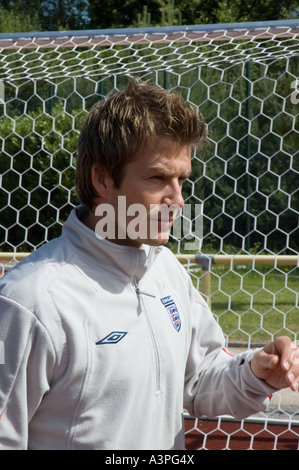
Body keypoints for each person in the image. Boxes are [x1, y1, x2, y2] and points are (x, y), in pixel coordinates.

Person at [0, 79, 298, 450]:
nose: (177, 200)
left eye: (182, 180)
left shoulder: (166, 270)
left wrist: (257, 372)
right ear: (102, 179)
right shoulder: (32, 300)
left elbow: (200, 380)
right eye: (158, 178)